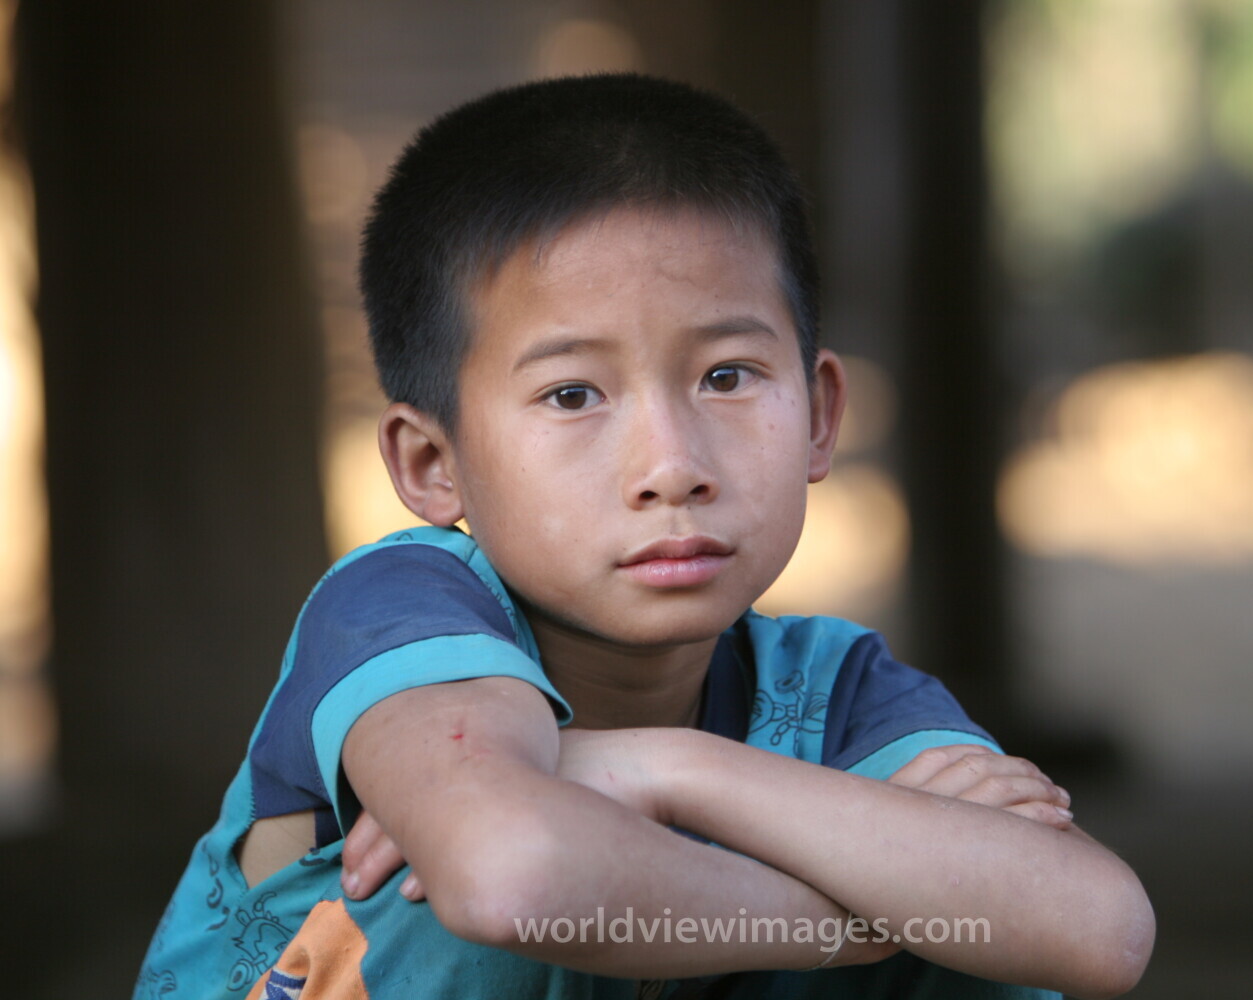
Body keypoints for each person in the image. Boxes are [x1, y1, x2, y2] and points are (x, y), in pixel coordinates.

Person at [135, 74, 1153, 1000]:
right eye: (573, 394)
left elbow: (1095, 931)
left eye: (726, 376)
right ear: (430, 464)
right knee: (443, 894)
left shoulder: (833, 688)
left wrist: (653, 771)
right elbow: (510, 876)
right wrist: (855, 908)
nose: (672, 465)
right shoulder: (400, 611)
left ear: (818, 415)